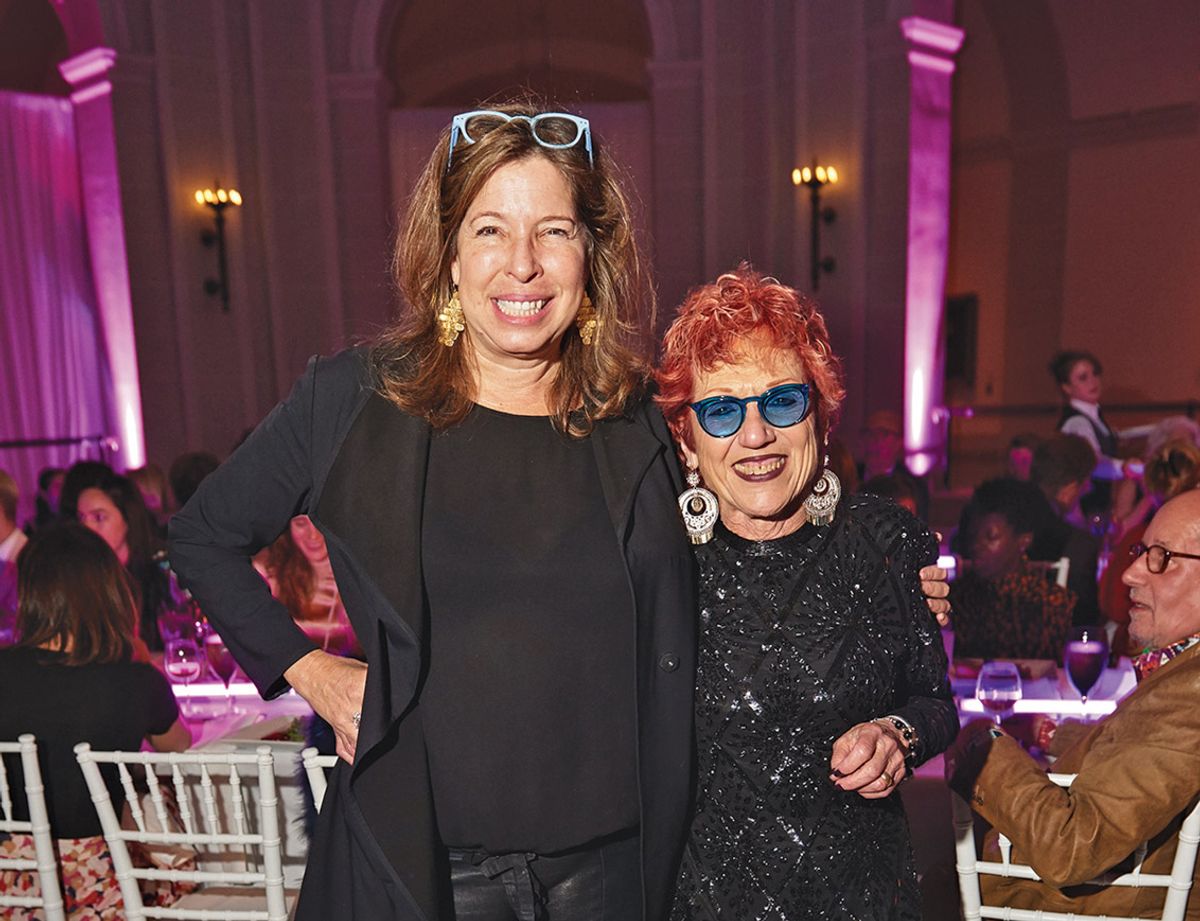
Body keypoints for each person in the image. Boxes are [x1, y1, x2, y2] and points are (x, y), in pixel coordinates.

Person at [170, 101, 695, 921]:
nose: (522, 265)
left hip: (616, 876)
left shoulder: (638, 418)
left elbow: (743, 540)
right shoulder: (353, 400)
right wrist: (312, 672)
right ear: (448, 254)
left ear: (592, 254)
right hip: (432, 881)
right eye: (490, 230)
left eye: (553, 231)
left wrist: (880, 568)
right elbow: (201, 535)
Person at [655, 266, 958, 920]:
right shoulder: (655, 564)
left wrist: (898, 733)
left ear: (820, 413)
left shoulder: (886, 540)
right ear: (685, 438)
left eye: (782, 401)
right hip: (703, 901)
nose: (755, 434)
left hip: (864, 897)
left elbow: (935, 700)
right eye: (721, 410)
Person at [946, 488, 1200, 921]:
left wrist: (980, 745)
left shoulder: (1192, 689)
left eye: (1162, 557)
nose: (1131, 574)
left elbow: (1073, 847)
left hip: (1057, 908)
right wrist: (1047, 734)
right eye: (1142, 552)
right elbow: (1146, 753)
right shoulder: (1183, 672)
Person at [0, 523, 191, 917]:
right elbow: (180, 747)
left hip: (12, 884)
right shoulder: (135, 680)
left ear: (30, 595)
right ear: (109, 593)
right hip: (108, 888)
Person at [950, 477, 1076, 661]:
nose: (977, 545)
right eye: (973, 535)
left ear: (1023, 541)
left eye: (990, 537)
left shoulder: (1052, 604)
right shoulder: (956, 599)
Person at [76, 472, 188, 653]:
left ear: (128, 519)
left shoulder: (162, 570)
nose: (87, 528)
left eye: (99, 517)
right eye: (82, 518)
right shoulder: (81, 578)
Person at [1049, 349, 1150, 521]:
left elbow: (1117, 436)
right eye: (1083, 378)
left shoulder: (1092, 417)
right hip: (1082, 509)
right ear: (1066, 388)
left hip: (1097, 506)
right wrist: (1127, 468)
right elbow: (1094, 463)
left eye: (1095, 374)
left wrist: (1163, 427)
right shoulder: (1077, 422)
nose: (1093, 381)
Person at [255, 514, 359, 656]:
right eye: (301, 524)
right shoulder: (266, 572)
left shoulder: (363, 574)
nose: (313, 536)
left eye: (320, 523)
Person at [1029, 434, 1102, 624]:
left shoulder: (1003, 522)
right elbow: (1083, 621)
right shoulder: (1077, 544)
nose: (1087, 490)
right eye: (1085, 484)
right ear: (1070, 487)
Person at [857, 408, 930, 521]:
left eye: (884, 435)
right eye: (870, 434)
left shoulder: (914, 486)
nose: (877, 441)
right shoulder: (851, 477)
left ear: (899, 443)